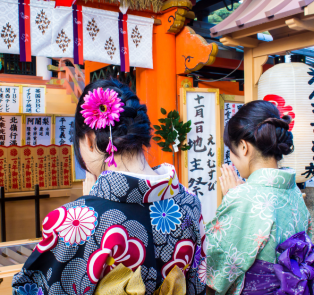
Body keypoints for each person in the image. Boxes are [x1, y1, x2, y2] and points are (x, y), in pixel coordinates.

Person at [12, 79, 206, 295]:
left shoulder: (75, 221)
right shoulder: (190, 203)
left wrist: (89, 206)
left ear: (88, 139)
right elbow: (198, 285)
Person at [206, 100, 313, 295]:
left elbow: (218, 273)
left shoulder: (242, 198)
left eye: (232, 149)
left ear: (244, 147)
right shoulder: (294, 193)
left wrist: (235, 199)